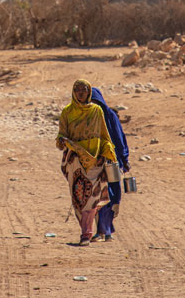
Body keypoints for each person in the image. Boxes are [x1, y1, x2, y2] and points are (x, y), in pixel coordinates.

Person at [56, 78, 116, 246]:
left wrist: (109, 152)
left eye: (83, 90)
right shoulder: (67, 112)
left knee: (92, 197)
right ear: (73, 93)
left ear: (89, 92)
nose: (80, 94)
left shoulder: (97, 111)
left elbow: (104, 135)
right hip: (75, 161)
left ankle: (86, 234)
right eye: (77, 91)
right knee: (79, 198)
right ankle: (86, 230)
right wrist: (62, 141)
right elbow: (61, 134)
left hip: (95, 160)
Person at [91, 87, 130, 242]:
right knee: (96, 196)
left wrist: (124, 159)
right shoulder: (88, 117)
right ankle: (103, 230)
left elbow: (119, 138)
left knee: (111, 196)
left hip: (111, 162)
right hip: (93, 163)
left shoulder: (110, 116)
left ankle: (105, 230)